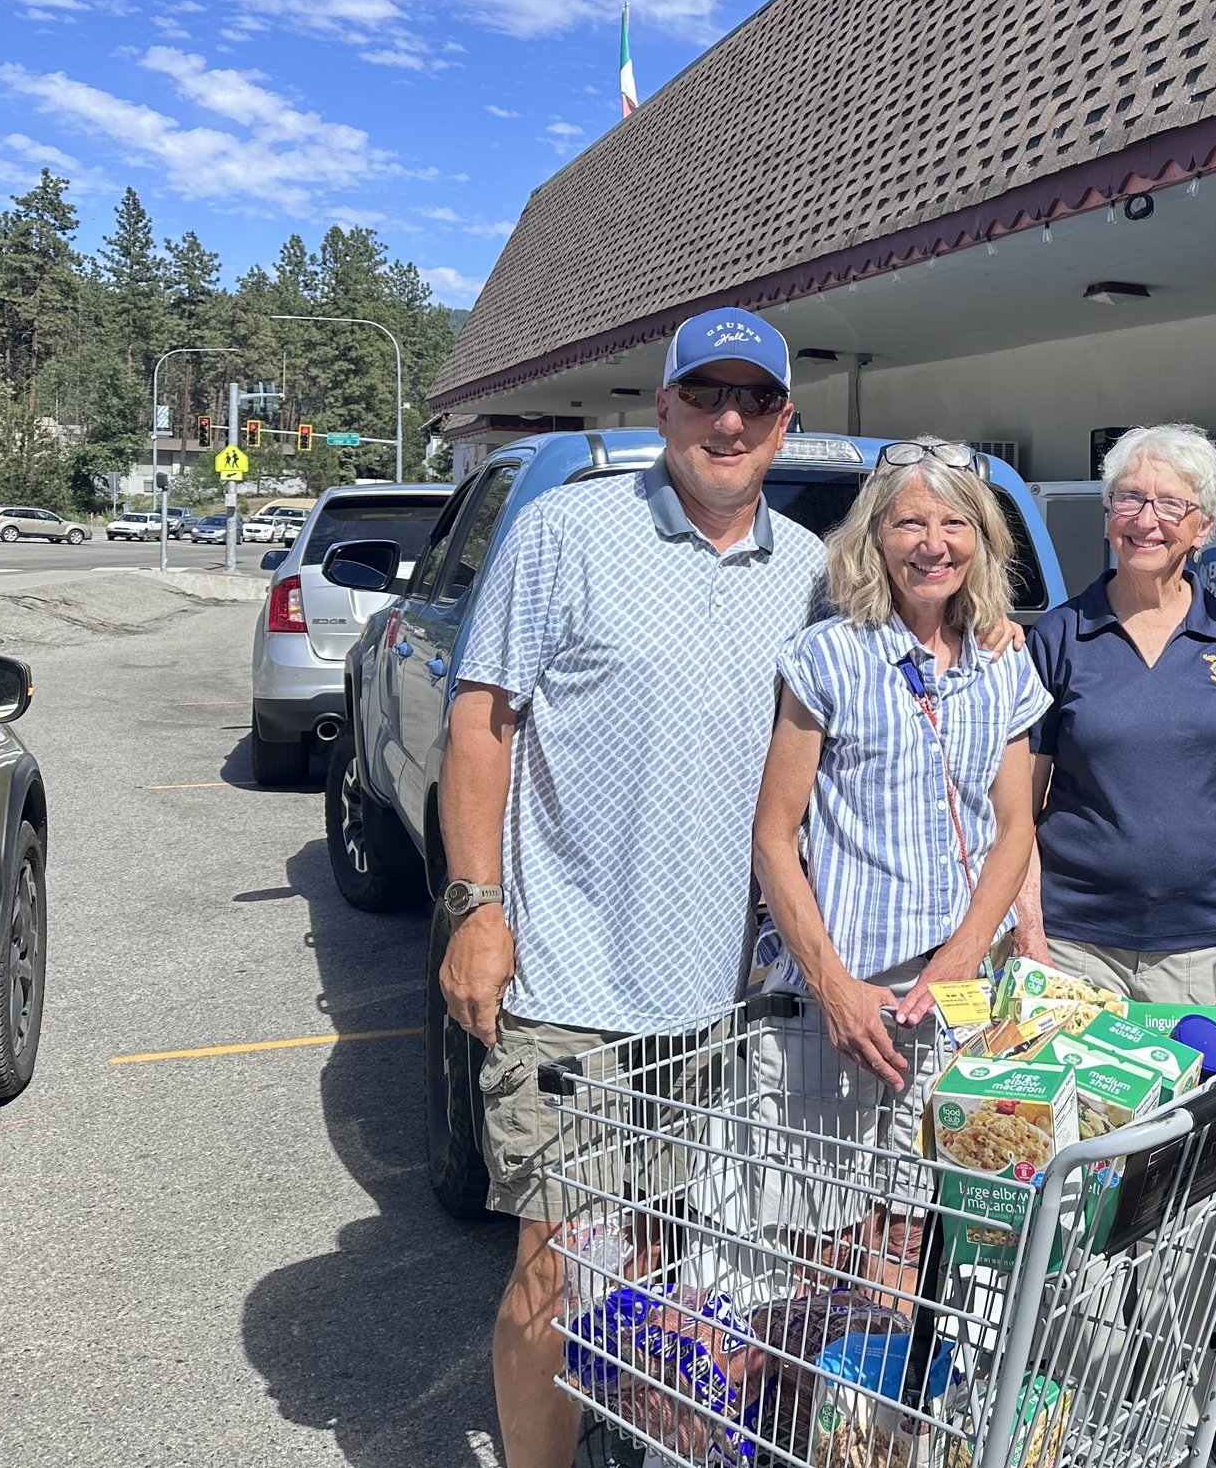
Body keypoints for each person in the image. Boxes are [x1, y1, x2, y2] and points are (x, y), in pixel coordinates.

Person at [439, 307, 825, 1468]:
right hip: (569, 980)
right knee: (558, 1269)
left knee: (651, 1257)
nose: (728, 420)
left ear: (784, 422)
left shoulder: (809, 569)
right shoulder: (567, 529)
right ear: (661, 407)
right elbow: (480, 724)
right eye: (705, 394)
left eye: (754, 399)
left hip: (718, 998)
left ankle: (618, 1435)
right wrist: (476, 907)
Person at [748, 436, 1049, 1151]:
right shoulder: (828, 656)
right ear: (875, 537)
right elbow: (773, 836)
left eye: (954, 524)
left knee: (923, 1208)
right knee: (818, 1212)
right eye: (909, 522)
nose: (932, 545)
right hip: (841, 997)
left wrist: (960, 959)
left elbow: (1014, 829)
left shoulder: (1003, 662)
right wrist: (834, 989)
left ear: (981, 539)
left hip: (959, 997)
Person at [1015, 423, 1216, 1005]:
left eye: (1170, 504)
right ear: (1108, 515)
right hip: (1073, 944)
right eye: (1129, 498)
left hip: (1202, 950)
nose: (1145, 519)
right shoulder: (1058, 637)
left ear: (1203, 526)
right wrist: (1029, 936)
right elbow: (1019, 810)